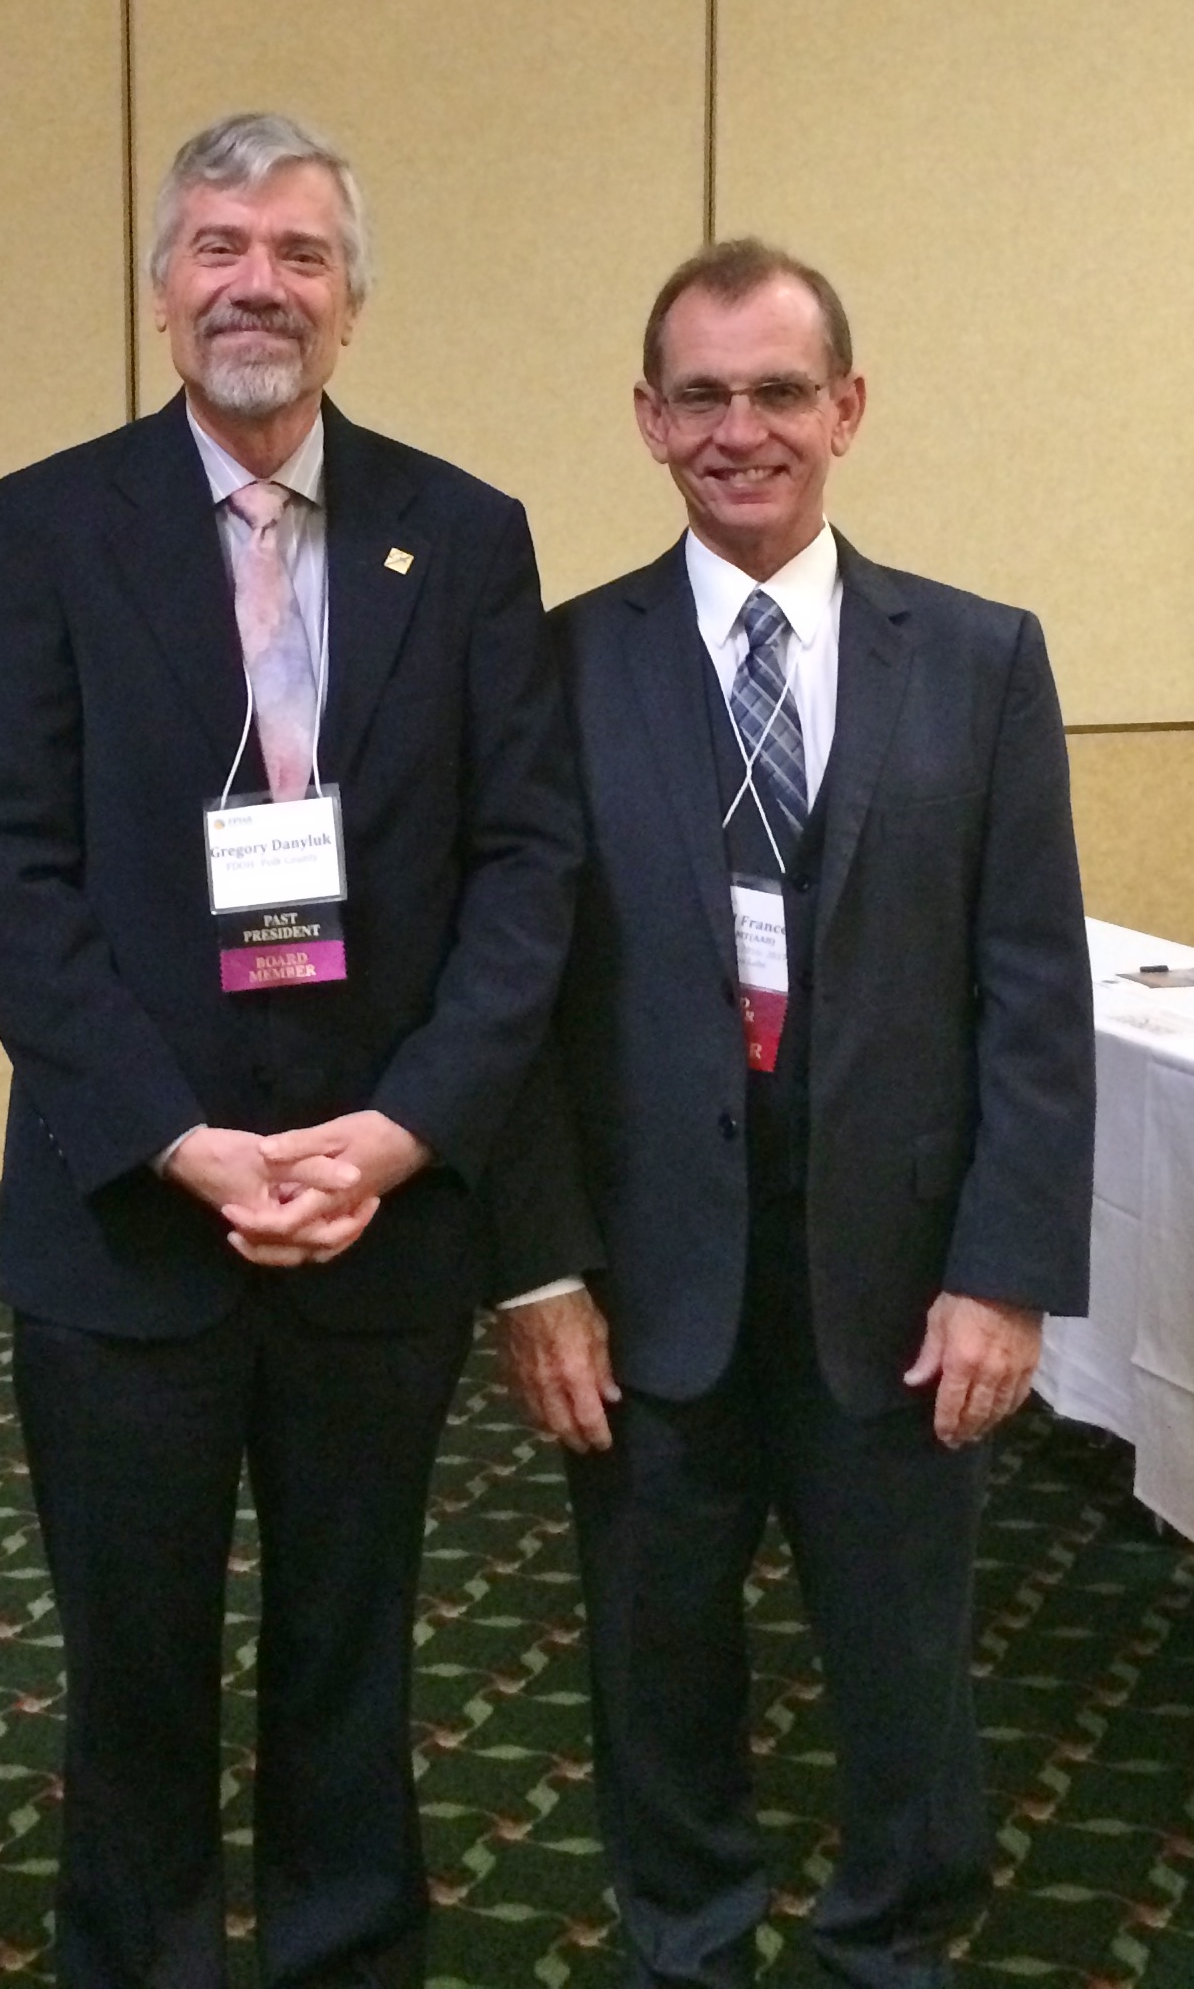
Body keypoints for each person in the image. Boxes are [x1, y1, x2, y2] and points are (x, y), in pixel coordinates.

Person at [0, 111, 577, 1988]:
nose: (257, 285)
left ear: (352, 302)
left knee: (354, 1642)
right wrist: (172, 1137)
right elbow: (11, 863)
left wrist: (404, 1132)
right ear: (159, 293)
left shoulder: (459, 536)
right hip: (130, 1214)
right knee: (130, 1653)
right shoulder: (44, 524)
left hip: (380, 1212)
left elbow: (523, 867)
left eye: (300, 254)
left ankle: (343, 1950)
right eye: (219, 246)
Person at [488, 239, 1095, 1988]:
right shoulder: (555, 664)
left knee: (904, 1665)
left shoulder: (979, 660)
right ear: (645, 420)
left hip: (900, 1279)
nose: (738, 428)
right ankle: (684, 1939)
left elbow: (1030, 997)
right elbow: (514, 1008)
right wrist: (535, 1268)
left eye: (774, 391)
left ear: (845, 407)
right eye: (700, 395)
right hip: (644, 1274)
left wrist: (1005, 1270)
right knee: (653, 1656)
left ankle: (889, 1943)